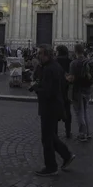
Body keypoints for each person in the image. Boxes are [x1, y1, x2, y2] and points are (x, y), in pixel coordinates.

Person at [32, 45, 75, 176]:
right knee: (51, 135)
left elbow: (48, 91)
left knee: (47, 138)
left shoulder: (50, 69)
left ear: (47, 55)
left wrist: (36, 89)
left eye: (40, 54)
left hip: (49, 107)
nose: (38, 56)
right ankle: (66, 155)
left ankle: (51, 167)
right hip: (55, 106)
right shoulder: (55, 67)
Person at [68, 44, 93, 142]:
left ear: (75, 51)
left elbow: (72, 78)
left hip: (77, 89)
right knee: (86, 111)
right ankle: (88, 133)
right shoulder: (89, 61)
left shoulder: (73, 63)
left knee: (79, 112)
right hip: (87, 89)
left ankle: (82, 134)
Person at [55, 45, 72, 139]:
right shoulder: (70, 61)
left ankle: (55, 132)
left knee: (55, 112)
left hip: (57, 89)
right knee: (67, 111)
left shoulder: (54, 61)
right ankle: (68, 131)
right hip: (67, 89)